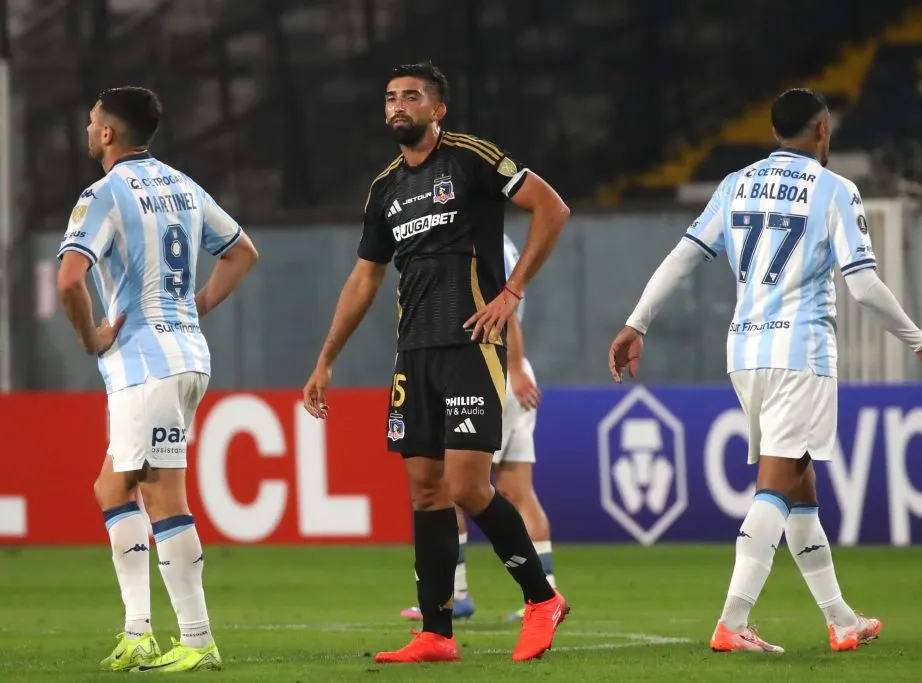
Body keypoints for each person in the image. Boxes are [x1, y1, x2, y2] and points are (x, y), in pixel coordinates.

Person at [608, 88, 922, 654]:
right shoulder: (834, 190)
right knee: (777, 483)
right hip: (800, 354)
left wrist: (637, 322)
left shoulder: (735, 184)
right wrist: (919, 344)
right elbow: (864, 284)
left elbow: (682, 255)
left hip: (746, 354)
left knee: (801, 487)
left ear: (774, 132)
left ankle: (841, 618)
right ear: (822, 130)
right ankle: (733, 619)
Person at [302, 61, 571, 664]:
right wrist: (325, 360)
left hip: (472, 344)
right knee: (425, 493)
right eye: (391, 97)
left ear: (437, 109)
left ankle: (541, 599)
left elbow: (551, 209)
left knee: (469, 487)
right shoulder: (384, 189)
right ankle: (436, 633)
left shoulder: (471, 157)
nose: (398, 106)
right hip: (414, 352)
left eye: (412, 97)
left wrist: (511, 292)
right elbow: (364, 278)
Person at [56, 86, 259, 672]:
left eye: (93, 121)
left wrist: (91, 335)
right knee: (111, 488)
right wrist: (195, 305)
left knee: (161, 495)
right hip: (183, 355)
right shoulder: (182, 184)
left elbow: (70, 280)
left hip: (148, 365)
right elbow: (242, 251)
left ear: (109, 134)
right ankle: (139, 631)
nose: (89, 129)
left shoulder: (104, 194)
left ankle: (197, 640)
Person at [399, 234, 557, 623]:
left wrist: (515, 369)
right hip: (505, 369)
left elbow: (504, 305)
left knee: (452, 484)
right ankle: (548, 588)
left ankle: (459, 593)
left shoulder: (474, 237)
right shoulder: (496, 236)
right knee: (517, 490)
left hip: (491, 368)